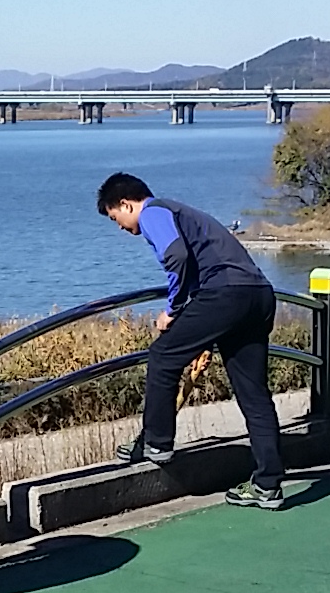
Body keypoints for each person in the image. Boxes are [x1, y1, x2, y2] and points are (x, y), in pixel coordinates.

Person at [97, 173, 285, 509]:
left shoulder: (154, 211)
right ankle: (267, 484)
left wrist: (172, 309)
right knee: (254, 395)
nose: (121, 227)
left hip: (225, 294)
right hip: (258, 294)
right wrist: (203, 335)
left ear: (127, 204)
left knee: (162, 356)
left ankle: (156, 443)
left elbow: (177, 256)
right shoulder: (186, 213)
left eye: (116, 218)